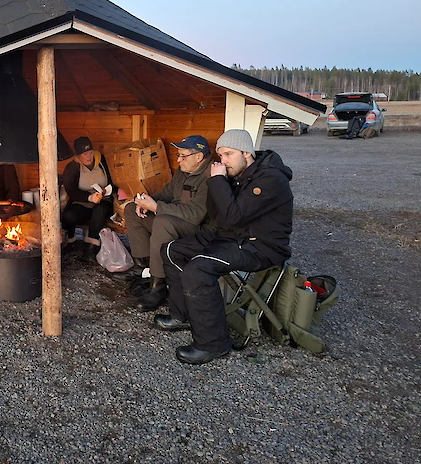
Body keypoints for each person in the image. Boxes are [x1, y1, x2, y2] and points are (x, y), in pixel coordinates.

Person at [155, 129, 294, 365]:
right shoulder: (238, 174)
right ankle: (183, 314)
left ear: (246, 153)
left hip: (260, 246)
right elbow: (218, 215)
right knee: (171, 250)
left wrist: (218, 180)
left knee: (198, 269)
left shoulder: (270, 178)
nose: (223, 160)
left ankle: (213, 343)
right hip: (231, 238)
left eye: (228, 154)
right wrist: (216, 181)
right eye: (221, 155)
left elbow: (232, 216)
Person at [124, 135, 212, 311]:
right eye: (178, 155)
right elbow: (167, 194)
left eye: (183, 156)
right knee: (130, 210)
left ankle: (159, 285)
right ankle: (145, 268)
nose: (178, 160)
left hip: (198, 229)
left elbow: (196, 215)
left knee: (163, 222)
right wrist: (145, 202)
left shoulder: (209, 177)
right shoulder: (184, 171)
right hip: (174, 219)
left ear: (199, 157)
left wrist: (157, 207)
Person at [61, 136, 115, 262]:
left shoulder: (101, 162)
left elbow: (113, 181)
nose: (89, 156)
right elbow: (71, 190)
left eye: (90, 152)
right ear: (78, 155)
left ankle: (90, 248)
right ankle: (70, 241)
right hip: (82, 202)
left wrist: (106, 190)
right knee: (68, 215)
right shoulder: (72, 167)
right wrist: (89, 197)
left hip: (103, 201)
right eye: (85, 154)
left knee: (100, 209)